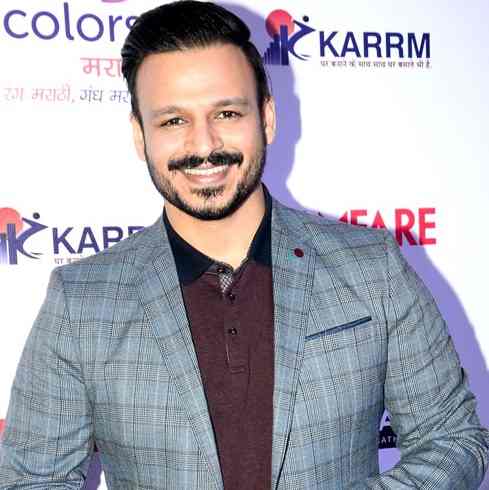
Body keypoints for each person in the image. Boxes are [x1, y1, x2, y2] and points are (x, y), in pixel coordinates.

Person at [1, 1, 488, 488]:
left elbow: (453, 440)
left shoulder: (371, 267)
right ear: (139, 135)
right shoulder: (81, 302)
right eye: (173, 121)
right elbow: (30, 481)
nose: (204, 145)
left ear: (267, 118)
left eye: (227, 113)